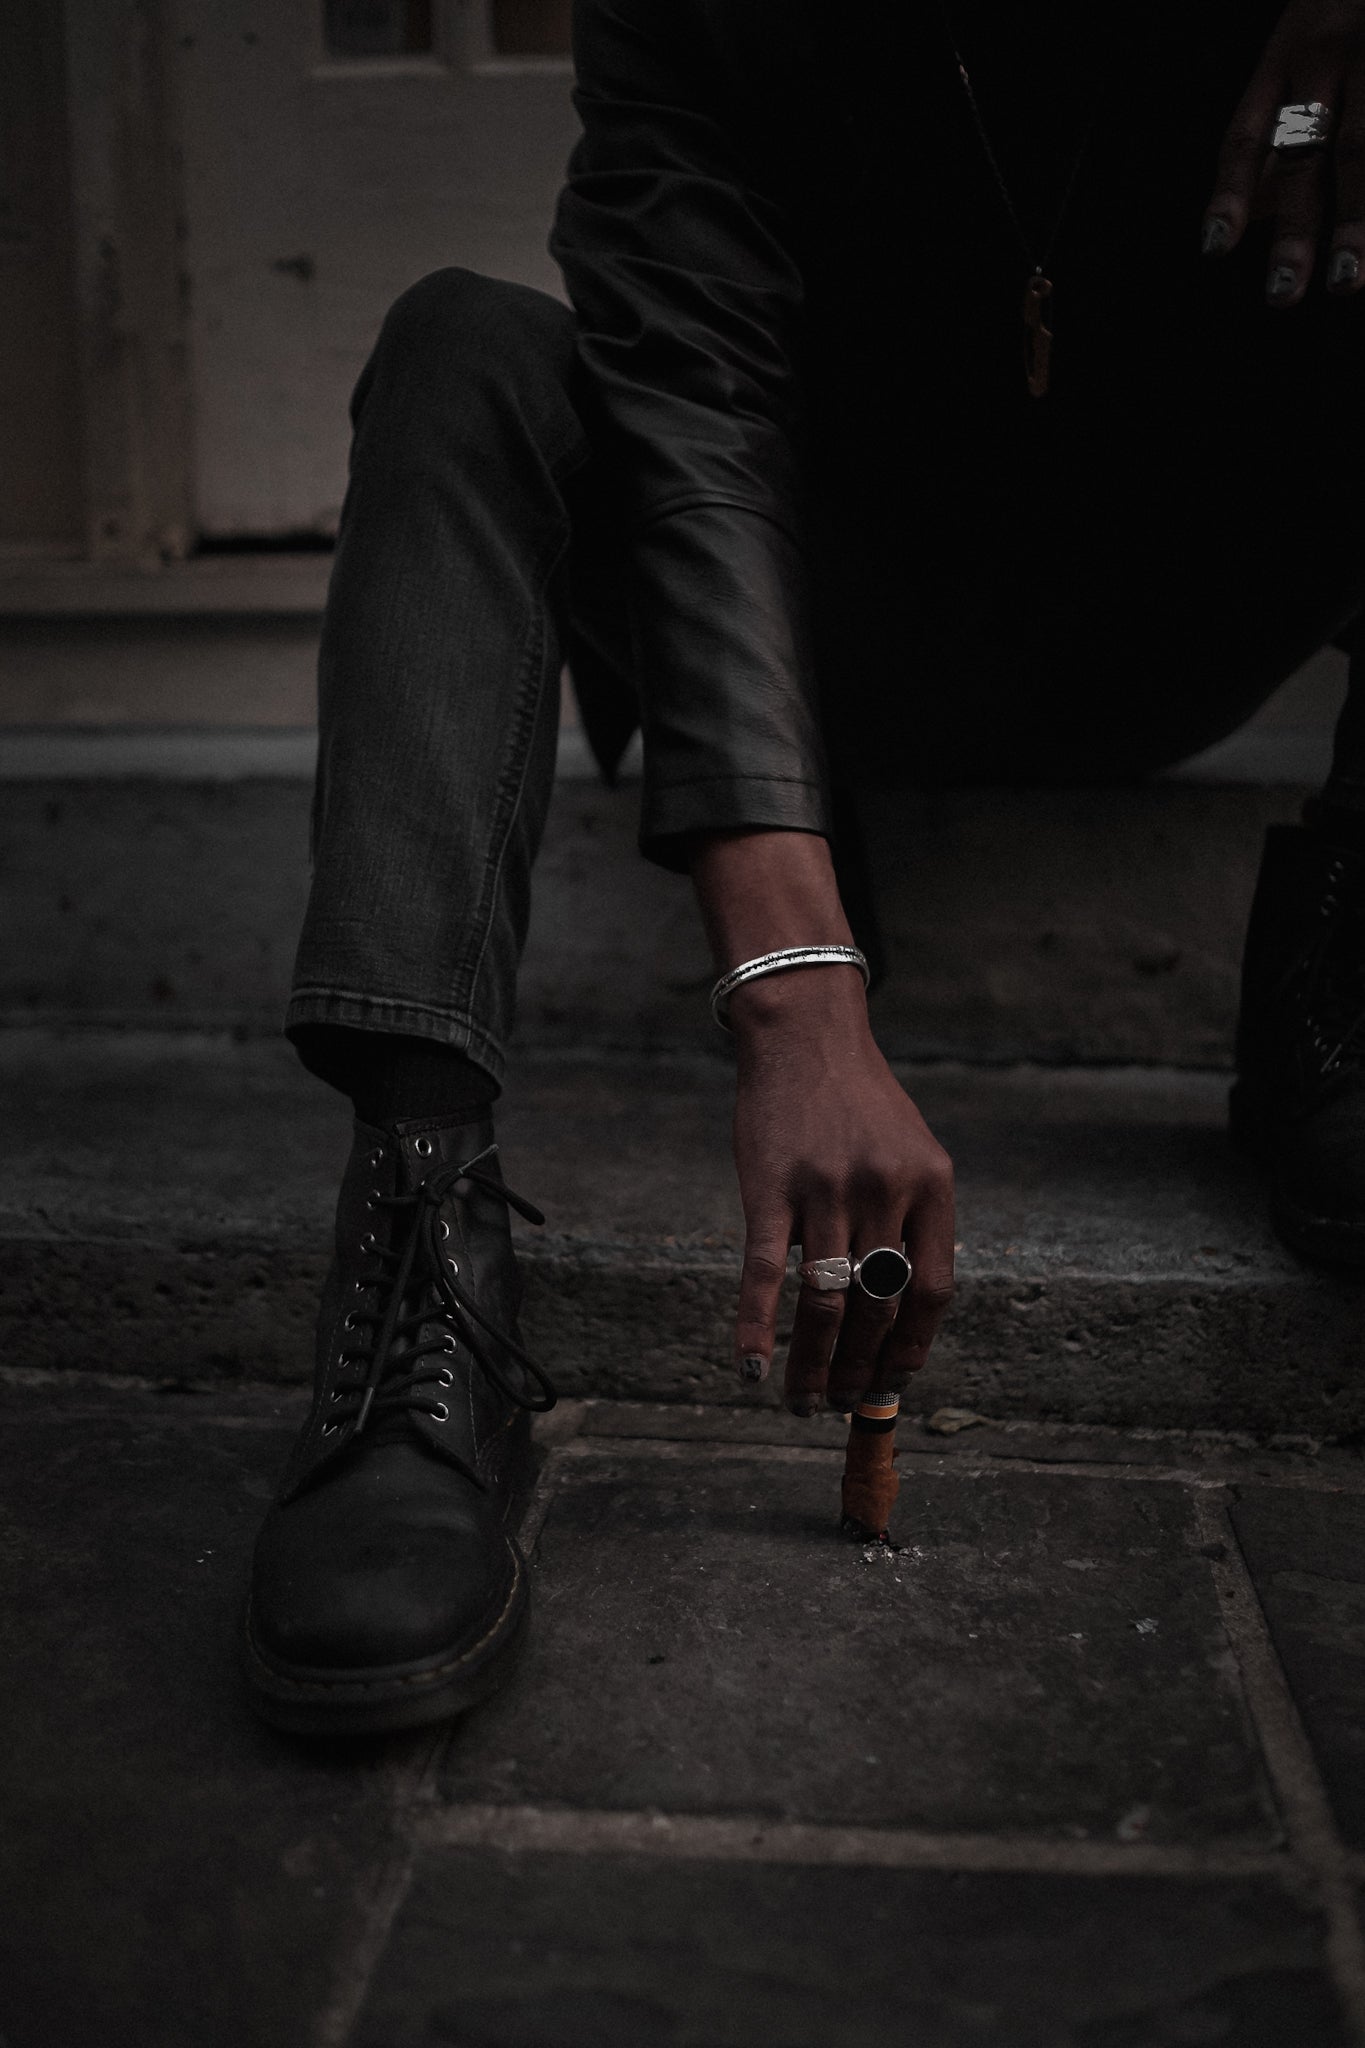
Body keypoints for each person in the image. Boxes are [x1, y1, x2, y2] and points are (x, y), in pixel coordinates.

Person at [242, 0, 1365, 1734]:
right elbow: (683, 404)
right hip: (808, 610)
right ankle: (418, 1253)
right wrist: (796, 999)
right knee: (463, 346)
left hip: (1179, 584)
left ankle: (1344, 985)